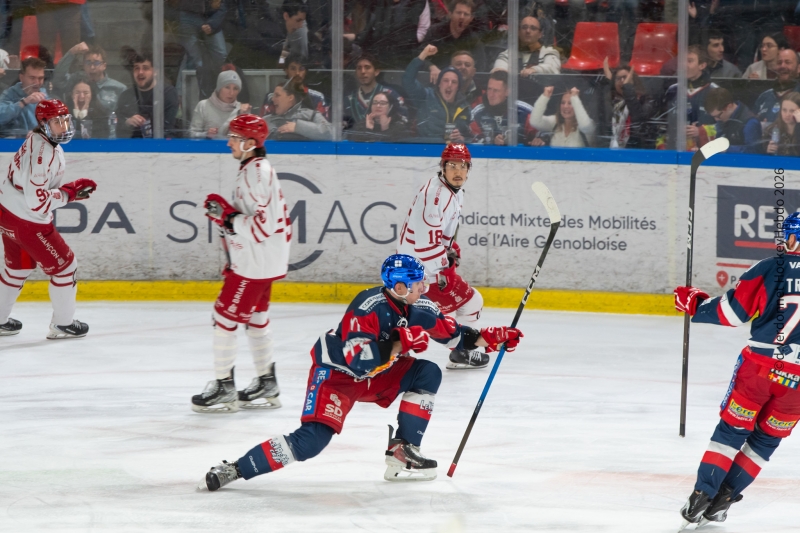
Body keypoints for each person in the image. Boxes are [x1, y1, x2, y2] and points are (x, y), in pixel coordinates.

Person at [200, 254, 523, 488]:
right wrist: (399, 344)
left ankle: (402, 450)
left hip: (377, 374)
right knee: (311, 442)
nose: (423, 287)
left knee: (427, 372)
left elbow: (457, 336)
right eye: (416, 283)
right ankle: (236, 468)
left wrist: (492, 337)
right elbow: (358, 361)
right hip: (337, 376)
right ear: (398, 287)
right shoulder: (367, 307)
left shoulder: (420, 309)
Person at [675, 212, 800, 529]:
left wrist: (695, 304)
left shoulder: (772, 266)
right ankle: (721, 503)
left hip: (760, 366)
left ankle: (702, 495)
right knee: (765, 442)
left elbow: (733, 313)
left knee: (731, 433)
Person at [192, 114, 291, 413]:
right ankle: (267, 381)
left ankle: (224, 386)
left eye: (234, 137)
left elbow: (263, 227)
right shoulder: (255, 168)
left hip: (253, 264)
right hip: (262, 262)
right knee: (257, 318)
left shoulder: (256, 173)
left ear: (250, 143)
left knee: (224, 317)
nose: (228, 142)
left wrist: (227, 217)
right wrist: (227, 216)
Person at [0, 99, 96, 338]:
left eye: (65, 120)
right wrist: (69, 193)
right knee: (65, 268)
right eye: (56, 122)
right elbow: (37, 201)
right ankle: (62, 324)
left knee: (17, 269)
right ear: (43, 124)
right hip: (27, 221)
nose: (63, 127)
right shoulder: (42, 154)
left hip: (8, 212)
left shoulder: (37, 139)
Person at [397, 144, 491, 369]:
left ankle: (397, 348)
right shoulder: (435, 197)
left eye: (463, 166)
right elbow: (423, 246)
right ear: (442, 167)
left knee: (424, 316)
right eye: (452, 166)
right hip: (419, 273)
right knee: (468, 304)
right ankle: (462, 353)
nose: (458, 171)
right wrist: (445, 265)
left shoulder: (452, 191)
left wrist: (449, 249)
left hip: (420, 269)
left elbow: (437, 236)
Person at [403, 45, 471, 142]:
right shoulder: (425, 96)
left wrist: (462, 139)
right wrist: (423, 55)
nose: (449, 85)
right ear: (439, 84)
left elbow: (472, 137)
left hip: (452, 154)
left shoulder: (465, 107)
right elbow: (407, 80)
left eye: (454, 82)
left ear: (458, 87)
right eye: (445, 80)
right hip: (426, 151)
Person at [658, 45, 718, 151]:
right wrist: (662, 146)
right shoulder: (672, 90)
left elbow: (726, 126)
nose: (684, 65)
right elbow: (663, 124)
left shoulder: (714, 91)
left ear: (702, 65)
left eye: (690, 61)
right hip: (674, 153)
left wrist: (700, 131)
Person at [116, 52, 179, 138]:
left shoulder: (167, 93)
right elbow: (115, 125)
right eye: (136, 68)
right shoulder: (125, 96)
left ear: (155, 71)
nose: (140, 72)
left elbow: (168, 128)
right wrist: (128, 122)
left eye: (145, 68)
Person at [418, 0, 487, 79]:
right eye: (458, 13)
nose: (462, 17)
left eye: (466, 14)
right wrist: (431, 66)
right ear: (450, 14)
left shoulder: (474, 40)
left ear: (471, 18)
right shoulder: (435, 31)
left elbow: (481, 67)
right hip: (435, 80)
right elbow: (420, 55)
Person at [598, 59, 656, 149]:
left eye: (625, 77)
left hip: (635, 151)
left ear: (633, 80)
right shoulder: (612, 102)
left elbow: (638, 120)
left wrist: (628, 88)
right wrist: (609, 83)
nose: (622, 81)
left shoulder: (644, 99)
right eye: (618, 78)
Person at [53, 43, 127, 113]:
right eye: (88, 63)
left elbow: (123, 115)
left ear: (104, 66)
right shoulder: (75, 82)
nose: (92, 67)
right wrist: (72, 52)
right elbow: (58, 78)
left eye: (96, 63)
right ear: (83, 65)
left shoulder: (119, 88)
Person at [469, 70, 536, 145]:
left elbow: (541, 133)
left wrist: (539, 139)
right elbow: (471, 139)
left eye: (496, 91)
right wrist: (492, 141)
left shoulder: (524, 111)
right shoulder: (477, 113)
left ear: (507, 92)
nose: (491, 94)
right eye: (489, 89)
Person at [343, 54, 406, 129]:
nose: (363, 72)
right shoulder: (349, 98)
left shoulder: (390, 94)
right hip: (356, 139)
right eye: (359, 68)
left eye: (367, 67)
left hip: (384, 138)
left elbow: (403, 120)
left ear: (376, 72)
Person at [260, 54, 329, 120]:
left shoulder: (317, 98)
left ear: (306, 71)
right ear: (286, 71)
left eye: (301, 69)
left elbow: (324, 127)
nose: (297, 73)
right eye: (293, 69)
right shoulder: (271, 97)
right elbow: (263, 125)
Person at [263, 78, 333, 141]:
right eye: (273, 95)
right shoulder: (266, 121)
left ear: (290, 98)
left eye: (277, 95)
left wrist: (298, 127)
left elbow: (330, 133)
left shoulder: (312, 115)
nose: (272, 99)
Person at [189, 70, 251, 139]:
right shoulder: (203, 106)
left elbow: (249, 139)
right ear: (219, 88)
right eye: (227, 87)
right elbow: (192, 134)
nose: (231, 93)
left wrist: (244, 117)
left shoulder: (242, 110)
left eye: (235, 88)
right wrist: (206, 135)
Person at [492, 15, 560, 75]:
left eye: (533, 28)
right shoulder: (508, 54)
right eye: (524, 27)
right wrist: (501, 73)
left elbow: (553, 68)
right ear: (518, 32)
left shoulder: (548, 52)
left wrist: (534, 70)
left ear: (540, 34)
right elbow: (498, 71)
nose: (528, 31)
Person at [700, 87, 762, 154]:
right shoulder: (722, 118)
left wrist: (728, 149)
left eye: (718, 116)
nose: (716, 119)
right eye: (714, 117)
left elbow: (754, 151)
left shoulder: (749, 122)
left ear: (729, 106)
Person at [529, 86, 596, 148]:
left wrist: (575, 98)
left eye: (570, 103)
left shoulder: (589, 124)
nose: (565, 106)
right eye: (563, 103)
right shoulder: (555, 122)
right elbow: (534, 121)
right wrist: (545, 97)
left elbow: (585, 125)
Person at [0, 57, 48, 137]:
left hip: (39, 143)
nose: (37, 83)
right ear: (22, 78)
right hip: (14, 144)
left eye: (40, 78)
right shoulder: (10, 94)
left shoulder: (47, 97)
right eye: (32, 78)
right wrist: (23, 102)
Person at [753, 49, 800, 128]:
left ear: (799, 68)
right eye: (779, 63)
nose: (782, 66)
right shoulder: (764, 96)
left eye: (787, 62)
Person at [68, 74, 110, 139]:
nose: (81, 96)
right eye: (77, 92)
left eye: (86, 93)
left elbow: (102, 135)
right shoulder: (64, 112)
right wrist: (76, 110)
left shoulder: (101, 113)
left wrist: (85, 110)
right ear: (71, 94)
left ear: (92, 94)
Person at [763, 92, 800, 156]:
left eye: (792, 111)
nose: (787, 114)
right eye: (784, 110)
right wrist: (767, 151)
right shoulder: (771, 130)